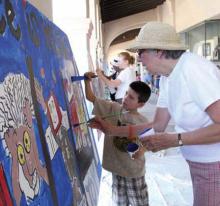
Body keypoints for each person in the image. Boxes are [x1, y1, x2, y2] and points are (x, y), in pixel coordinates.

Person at [89, 21, 220, 206]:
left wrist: (176, 139)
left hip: (213, 164)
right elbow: (157, 125)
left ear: (158, 51)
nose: (139, 59)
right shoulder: (168, 78)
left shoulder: (193, 69)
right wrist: (112, 130)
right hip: (198, 161)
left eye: (140, 52)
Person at [84, 71, 151, 206]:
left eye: (131, 97)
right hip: (117, 169)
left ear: (141, 104)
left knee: (139, 203)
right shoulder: (113, 108)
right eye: (126, 93)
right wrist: (87, 81)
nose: (126, 98)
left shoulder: (143, 121)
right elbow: (91, 97)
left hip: (133, 172)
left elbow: (149, 143)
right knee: (119, 202)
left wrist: (141, 151)